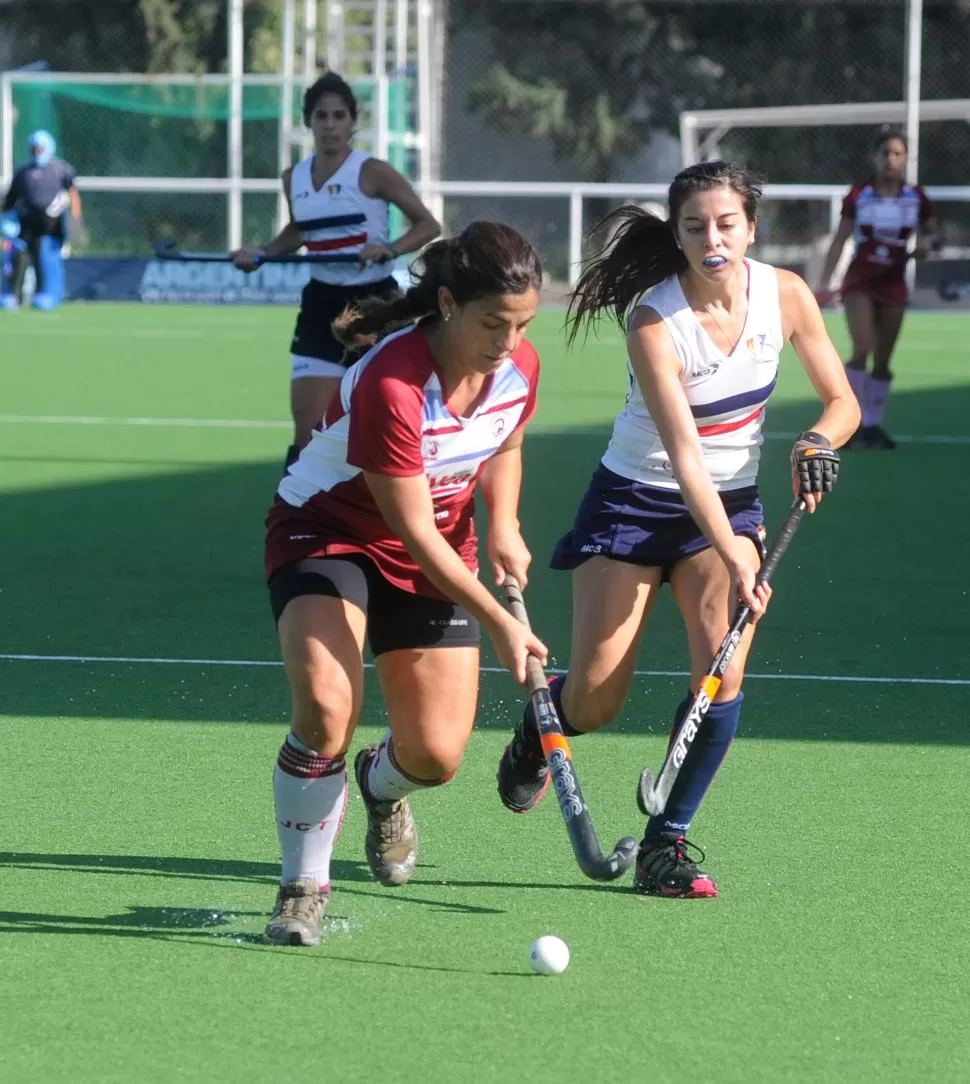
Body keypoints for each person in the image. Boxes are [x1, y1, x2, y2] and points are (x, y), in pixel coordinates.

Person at [496, 161, 860, 899]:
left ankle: (667, 842)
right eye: (694, 226)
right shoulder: (654, 319)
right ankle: (542, 727)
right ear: (678, 234)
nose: (712, 239)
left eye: (727, 224)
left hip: (730, 507)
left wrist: (817, 441)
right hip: (635, 501)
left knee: (719, 676)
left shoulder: (784, 295)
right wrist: (738, 556)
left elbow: (842, 400)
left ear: (751, 227)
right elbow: (686, 457)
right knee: (595, 699)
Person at [261, 220, 547, 946]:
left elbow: (506, 440)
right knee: (328, 708)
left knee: (436, 755)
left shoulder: (519, 367)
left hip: (441, 545)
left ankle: (380, 785)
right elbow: (412, 530)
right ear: (448, 303)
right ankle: (302, 886)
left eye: (522, 324)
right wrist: (502, 621)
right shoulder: (394, 384)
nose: (508, 342)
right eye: (493, 322)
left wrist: (505, 523)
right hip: (329, 530)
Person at [231, 72, 441, 470]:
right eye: (321, 116)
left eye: (339, 116)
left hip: (375, 303)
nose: (330, 125)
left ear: (352, 121)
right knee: (308, 426)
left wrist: (389, 248)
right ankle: (296, 515)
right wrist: (262, 252)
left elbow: (428, 225)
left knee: (390, 419)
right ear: (308, 121)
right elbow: (299, 230)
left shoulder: (373, 172)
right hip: (321, 305)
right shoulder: (293, 178)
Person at [815, 126, 936, 450]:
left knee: (883, 358)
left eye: (897, 154)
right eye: (885, 153)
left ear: (905, 158)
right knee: (863, 347)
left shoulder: (916, 196)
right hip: (861, 281)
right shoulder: (860, 195)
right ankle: (848, 421)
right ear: (875, 157)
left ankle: (872, 424)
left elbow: (929, 233)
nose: (891, 159)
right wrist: (824, 285)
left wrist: (925, 245)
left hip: (894, 282)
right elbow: (841, 238)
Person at [1, 130, 84, 311]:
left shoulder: (61, 169)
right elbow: (9, 201)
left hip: (50, 226)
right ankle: (12, 295)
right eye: (34, 149)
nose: (37, 152)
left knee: (45, 256)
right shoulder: (23, 173)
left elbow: (73, 194)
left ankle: (47, 294)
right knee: (18, 255)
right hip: (25, 226)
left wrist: (75, 219)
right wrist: (5, 221)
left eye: (40, 149)